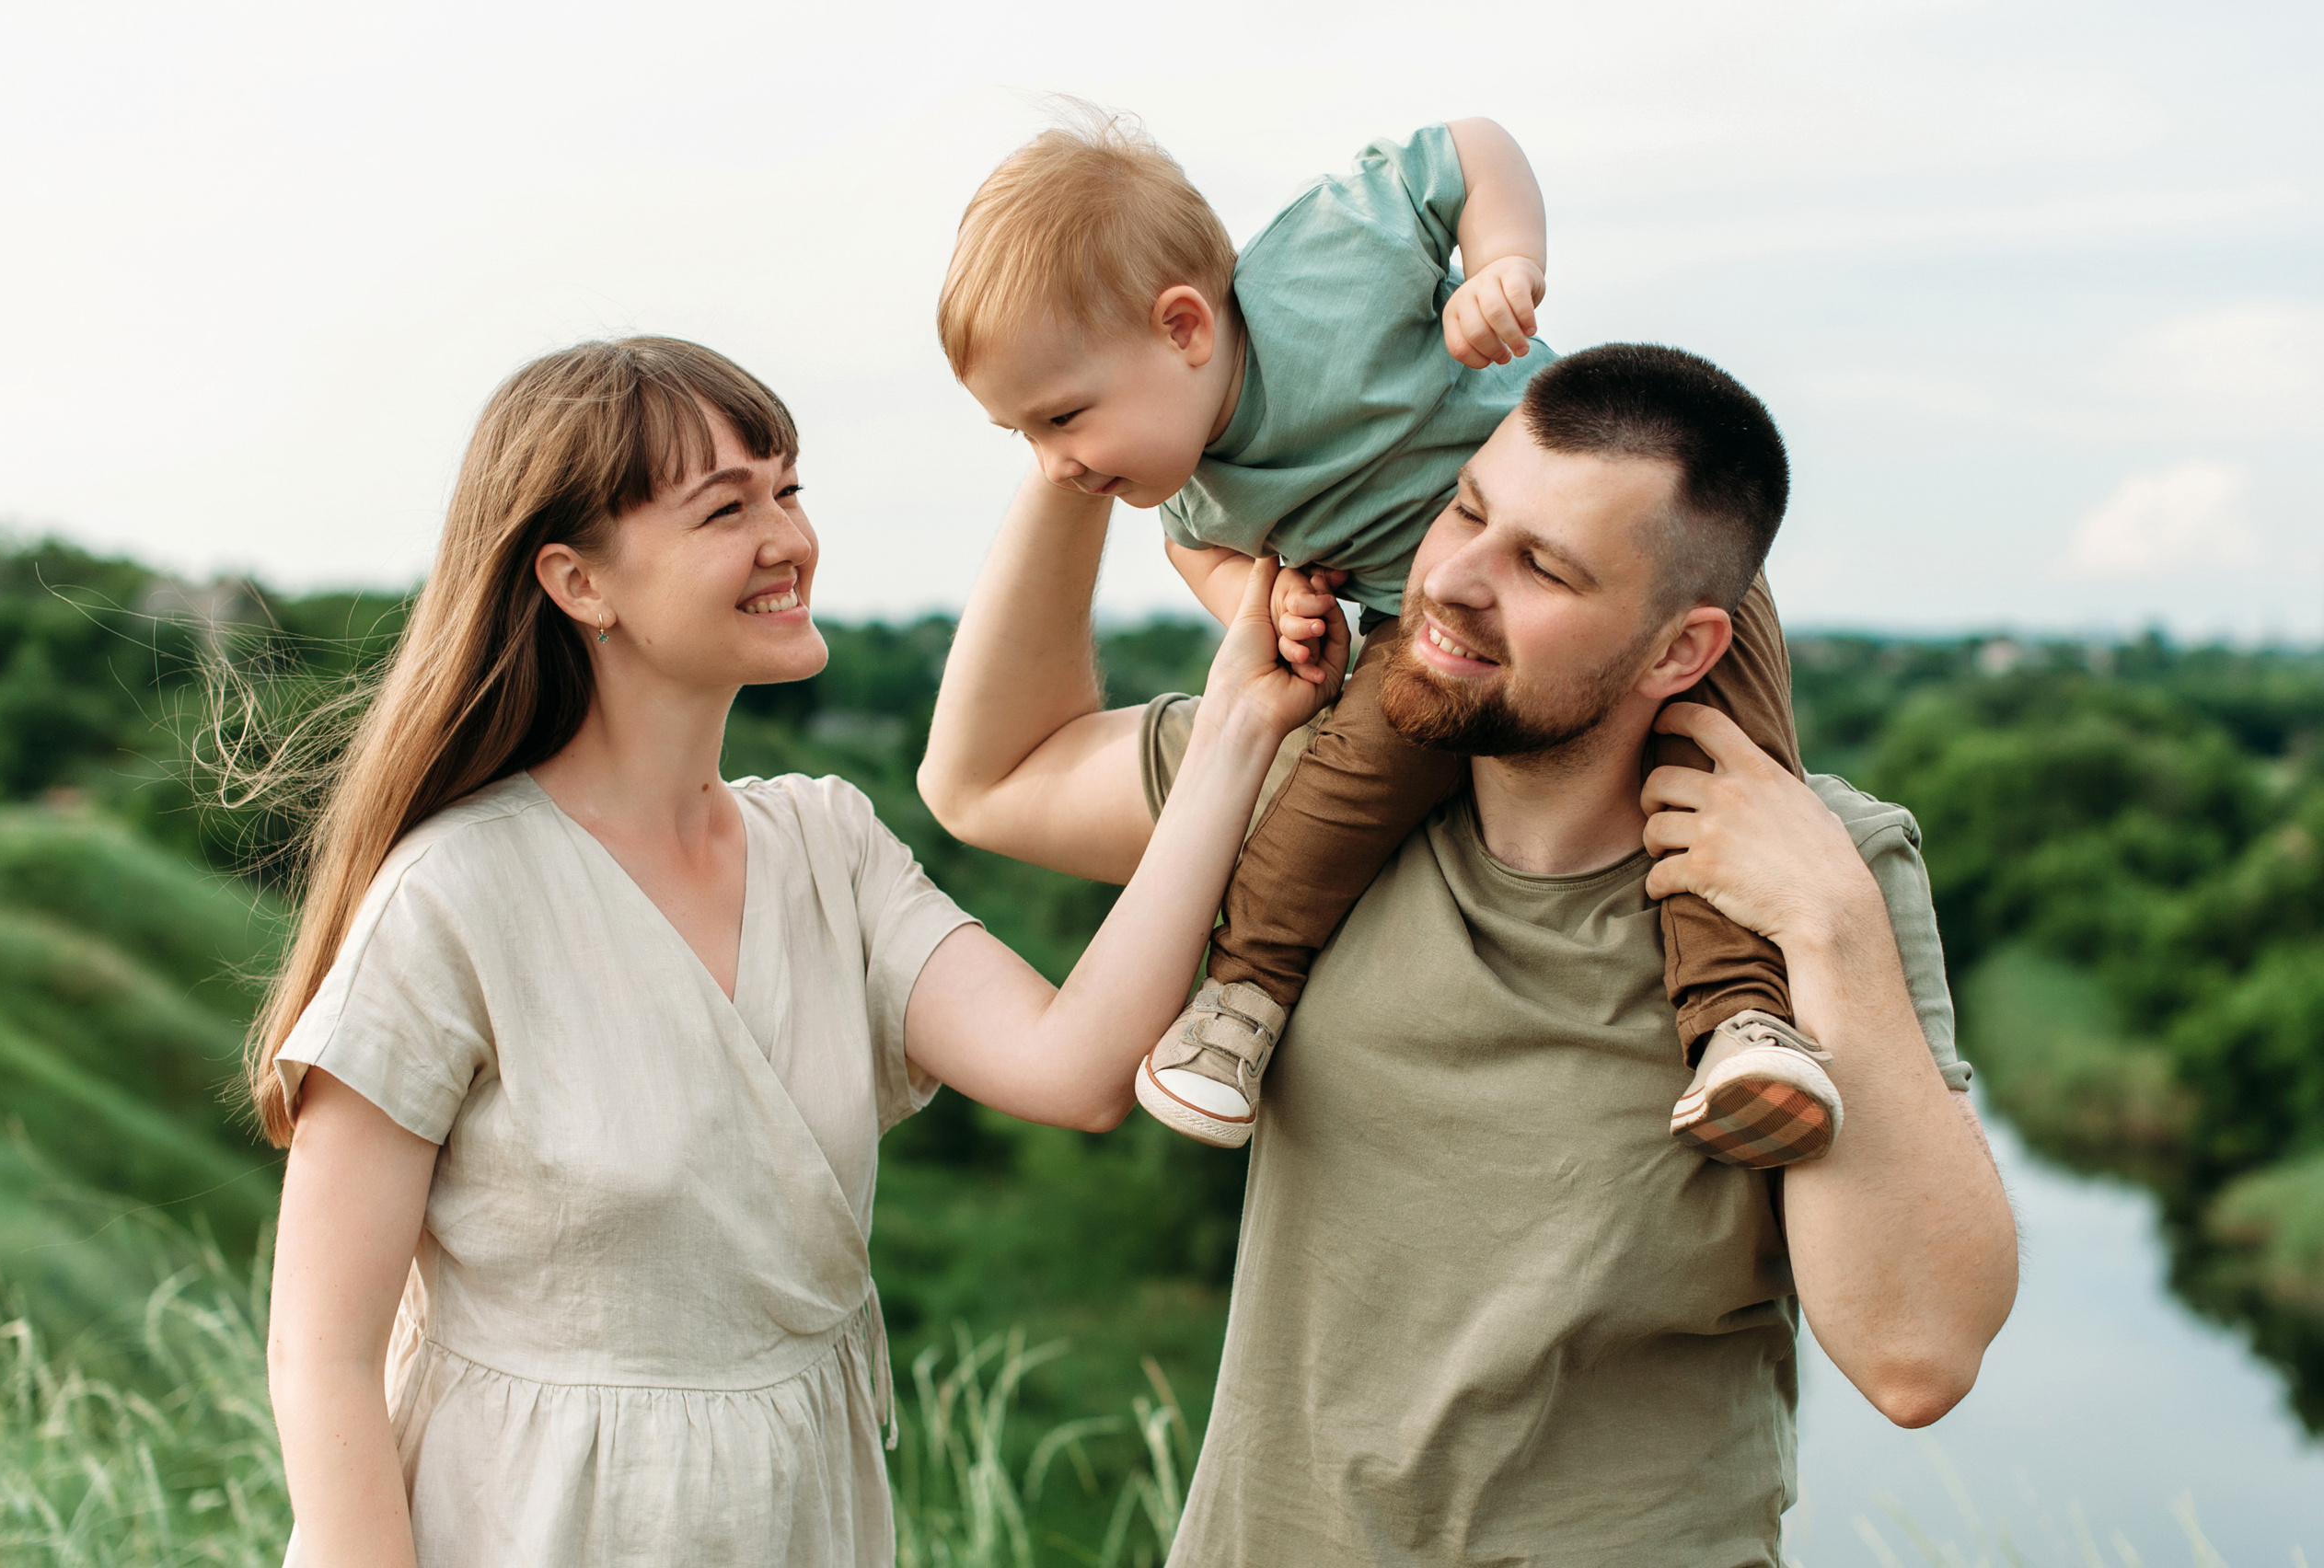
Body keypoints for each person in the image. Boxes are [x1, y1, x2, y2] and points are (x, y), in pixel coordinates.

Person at [919, 344, 2020, 1564]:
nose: (1453, 581)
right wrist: (1071, 437)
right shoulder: (1315, 784)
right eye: (1467, 512)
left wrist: (1833, 928)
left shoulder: (1819, 872)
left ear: (1681, 652)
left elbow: (1917, 1359)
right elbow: (988, 779)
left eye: (1543, 567)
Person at [254, 337, 1344, 1568]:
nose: (789, 540)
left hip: (794, 1522)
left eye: (790, 490)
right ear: (578, 582)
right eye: (727, 508)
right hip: (527, 1524)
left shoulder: (829, 845)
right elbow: (322, 1358)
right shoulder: (453, 894)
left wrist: (1240, 729)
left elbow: (1077, 1067)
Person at [938, 110, 1830, 1165]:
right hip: (1424, 651)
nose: (1050, 465)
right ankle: (1239, 1003)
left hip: (1641, 574)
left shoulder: (1325, 264)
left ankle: (1738, 1022)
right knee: (1338, 785)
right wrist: (1254, 609)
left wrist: (1504, 263)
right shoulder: (1188, 489)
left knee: (1721, 787)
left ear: (1184, 328)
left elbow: (1470, 149)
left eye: (1062, 419)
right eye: (1022, 435)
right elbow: (1199, 556)